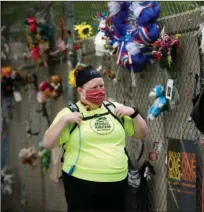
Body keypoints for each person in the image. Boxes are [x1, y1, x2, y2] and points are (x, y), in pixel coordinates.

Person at [43, 65, 148, 212]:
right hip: (81, 184)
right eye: (94, 87)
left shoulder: (114, 108)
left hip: (117, 182)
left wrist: (133, 113)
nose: (99, 90)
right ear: (80, 91)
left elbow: (141, 133)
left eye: (101, 86)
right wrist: (64, 121)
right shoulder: (69, 113)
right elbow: (47, 143)